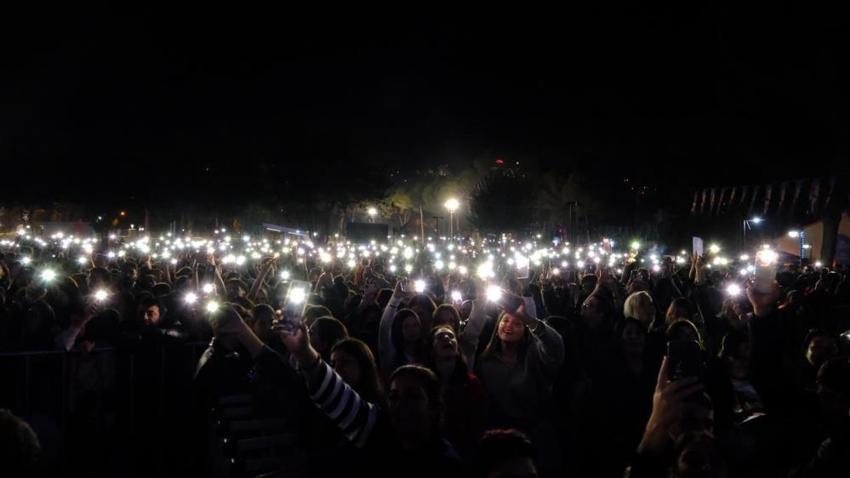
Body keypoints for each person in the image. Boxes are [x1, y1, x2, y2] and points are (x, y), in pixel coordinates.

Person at [425, 325, 487, 458]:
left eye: (451, 336)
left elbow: (479, 422)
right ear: (432, 349)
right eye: (440, 337)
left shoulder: (471, 383)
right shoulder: (423, 382)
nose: (447, 338)